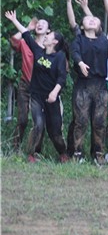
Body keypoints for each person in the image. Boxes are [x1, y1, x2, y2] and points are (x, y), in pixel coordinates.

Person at [61, 0, 108, 164]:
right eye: (87, 19)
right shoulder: (79, 38)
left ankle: (98, 154)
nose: (91, 20)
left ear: (99, 26)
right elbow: (75, 51)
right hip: (83, 85)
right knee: (81, 121)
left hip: (100, 85)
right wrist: (79, 62)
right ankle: (77, 153)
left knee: (99, 121)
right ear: (82, 25)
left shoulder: (103, 40)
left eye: (94, 20)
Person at [5, 11, 69, 163]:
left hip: (51, 98)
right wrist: (14, 20)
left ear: (54, 42)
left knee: (55, 132)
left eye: (49, 35)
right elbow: (26, 34)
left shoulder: (59, 56)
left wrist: (54, 93)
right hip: (36, 96)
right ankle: (32, 154)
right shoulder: (38, 51)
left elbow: (62, 78)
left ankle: (63, 153)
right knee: (38, 124)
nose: (46, 37)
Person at [8, 15, 51, 153]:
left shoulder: (50, 48)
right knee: (22, 119)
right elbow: (14, 41)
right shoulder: (26, 42)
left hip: (41, 88)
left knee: (39, 121)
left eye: (43, 23)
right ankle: (15, 148)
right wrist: (27, 28)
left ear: (48, 30)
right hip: (25, 85)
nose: (39, 24)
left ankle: (36, 151)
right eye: (38, 23)